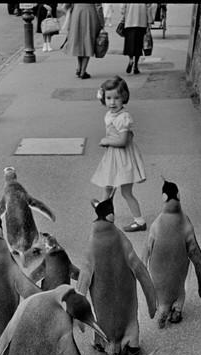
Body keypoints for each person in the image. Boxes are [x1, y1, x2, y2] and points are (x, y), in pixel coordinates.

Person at [91, 76, 147, 232]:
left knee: (126, 192)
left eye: (117, 98)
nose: (112, 102)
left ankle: (140, 221)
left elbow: (122, 141)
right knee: (108, 185)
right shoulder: (110, 114)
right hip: (114, 156)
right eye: (108, 98)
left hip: (123, 158)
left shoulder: (123, 117)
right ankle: (104, 212)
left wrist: (106, 141)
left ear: (124, 97)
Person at [63, 3, 104, 79]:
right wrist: (102, 23)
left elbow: (66, 6)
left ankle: (79, 68)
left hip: (77, 13)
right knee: (88, 41)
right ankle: (83, 71)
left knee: (79, 41)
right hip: (90, 14)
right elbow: (99, 6)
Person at [120, 3, 156, 74]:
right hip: (141, 23)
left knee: (129, 44)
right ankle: (136, 66)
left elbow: (123, 9)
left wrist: (123, 18)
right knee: (138, 46)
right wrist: (149, 22)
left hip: (129, 23)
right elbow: (148, 8)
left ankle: (131, 60)